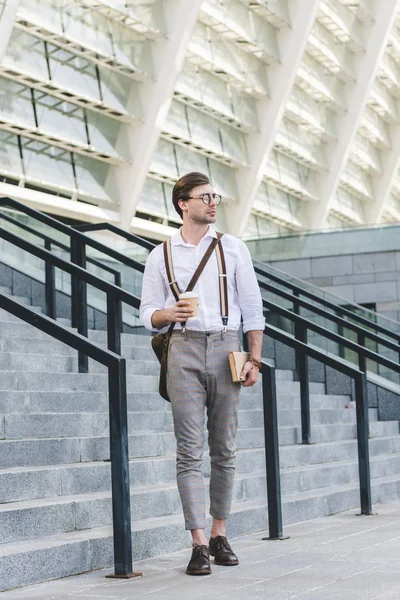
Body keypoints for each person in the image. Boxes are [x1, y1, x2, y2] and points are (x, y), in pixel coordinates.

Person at [140, 171, 265, 575]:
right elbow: (146, 313)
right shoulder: (161, 254)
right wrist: (166, 313)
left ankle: (219, 533)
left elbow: (254, 308)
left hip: (228, 346)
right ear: (183, 203)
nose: (213, 203)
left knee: (224, 448)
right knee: (188, 450)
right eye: (205, 196)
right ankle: (197, 543)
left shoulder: (234, 248)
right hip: (182, 349)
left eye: (215, 196)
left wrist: (255, 360)